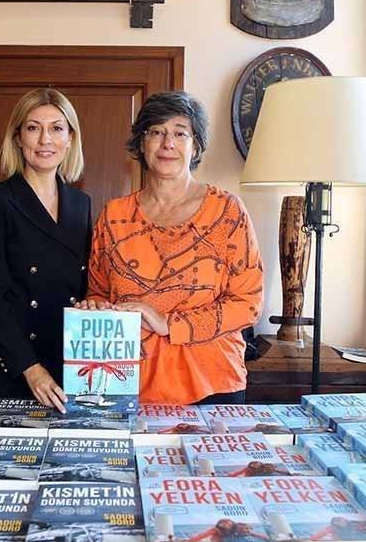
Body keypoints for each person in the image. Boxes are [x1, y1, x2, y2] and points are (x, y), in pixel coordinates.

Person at [80, 91, 263, 405]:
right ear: (141, 143)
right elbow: (98, 292)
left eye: (180, 133)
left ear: (196, 146)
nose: (168, 143)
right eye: (156, 132)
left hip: (212, 383)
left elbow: (248, 303)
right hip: (126, 384)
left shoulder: (227, 211)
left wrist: (169, 324)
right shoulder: (113, 215)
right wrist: (96, 310)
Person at [0, 88, 91, 412]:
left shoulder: (81, 203)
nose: (45, 140)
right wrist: (30, 368)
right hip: (10, 362)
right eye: (33, 128)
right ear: (18, 138)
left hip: (64, 358)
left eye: (56, 128)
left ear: (70, 139)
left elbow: (82, 287)